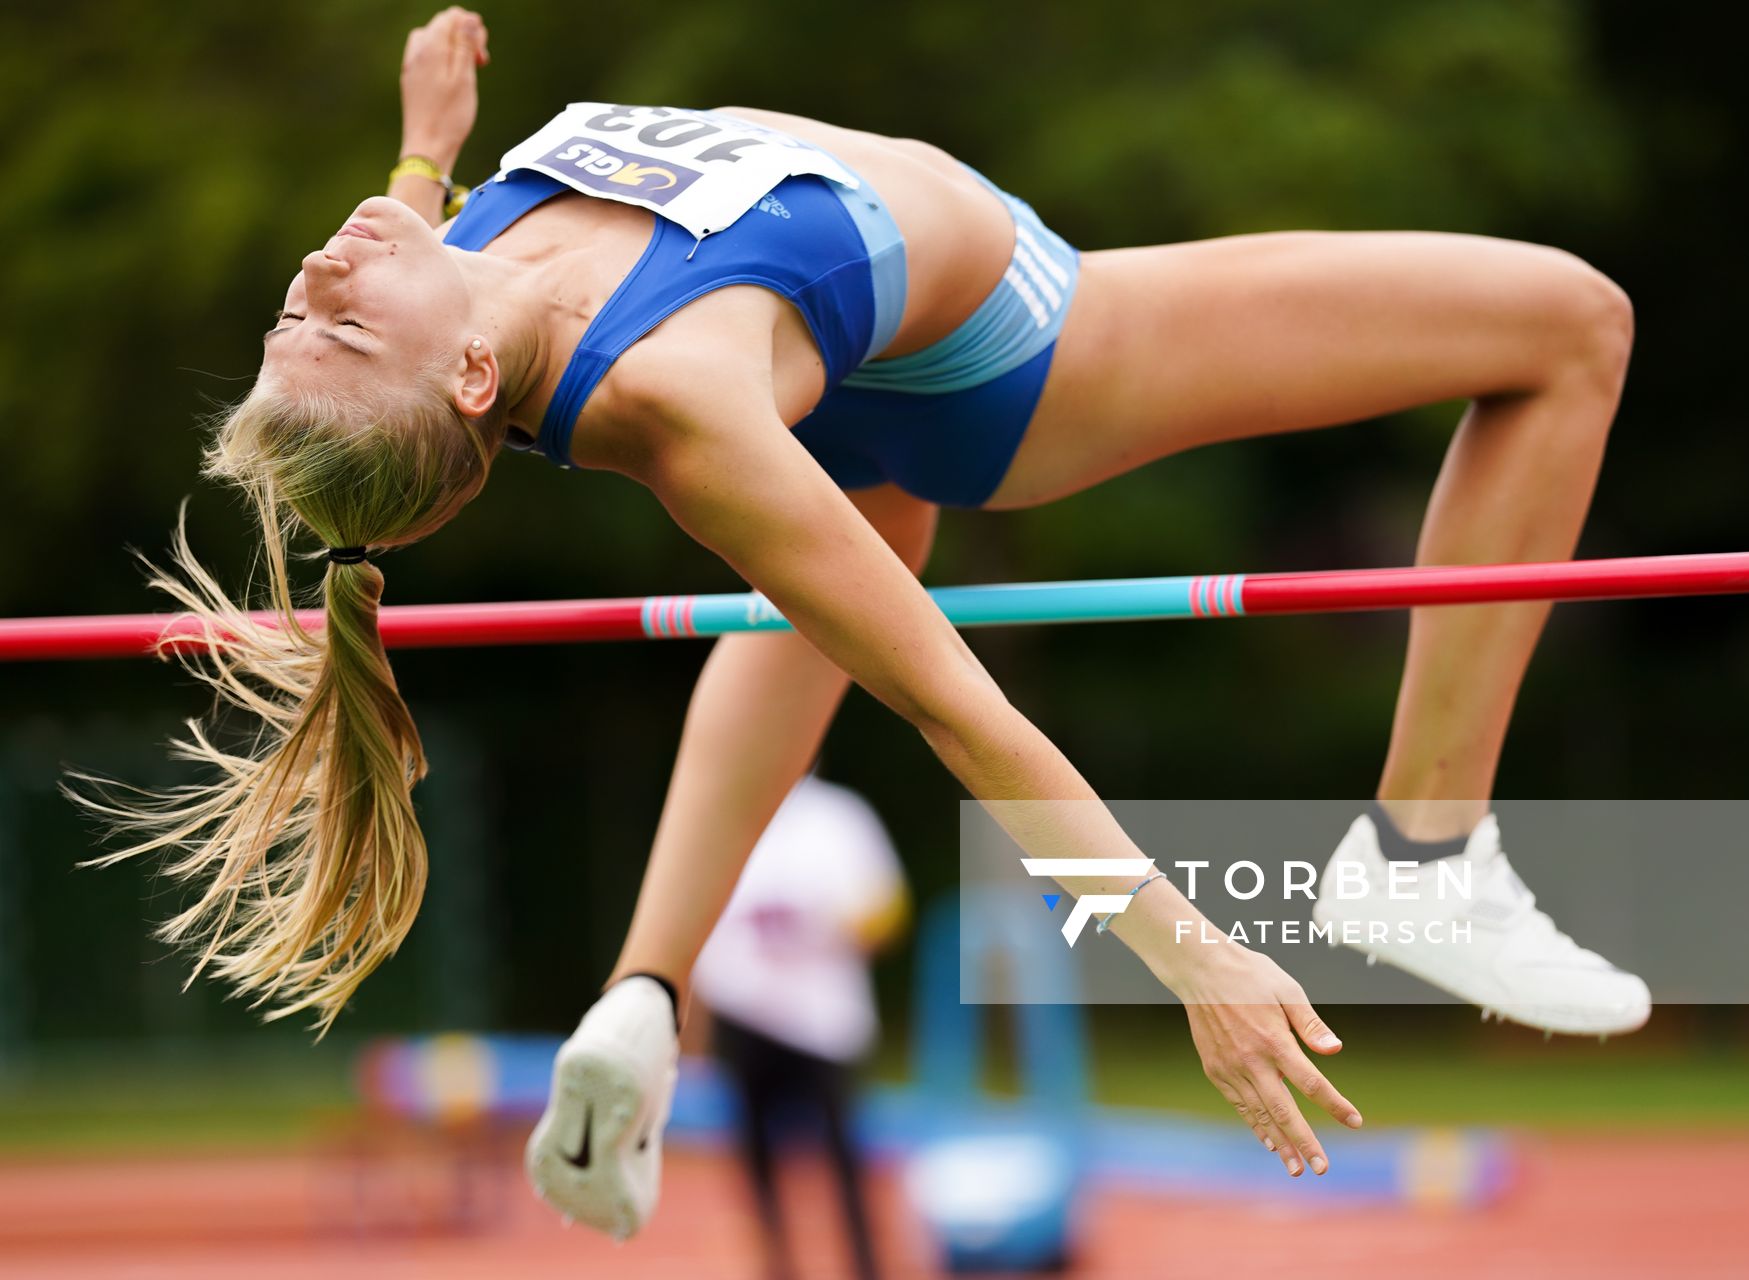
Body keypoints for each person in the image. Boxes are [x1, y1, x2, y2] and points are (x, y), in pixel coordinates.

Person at [77, 6, 1649, 1241]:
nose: (314, 267)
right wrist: (1191, 960)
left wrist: (424, 154)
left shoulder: (451, 267)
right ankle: (1428, 857)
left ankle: (644, 993)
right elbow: (970, 716)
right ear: (470, 384)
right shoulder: (685, 404)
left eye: (295, 316)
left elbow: (389, 266)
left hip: (852, 370)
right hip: (1023, 358)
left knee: (822, 571)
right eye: (336, 317)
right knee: (1573, 324)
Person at [689, 773, 907, 1280]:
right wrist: (694, 1033)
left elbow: (884, 908)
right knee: (754, 1157)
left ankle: (865, 1264)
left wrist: (836, 927)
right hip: (744, 1015)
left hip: (823, 1020)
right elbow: (702, 932)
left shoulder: (838, 817)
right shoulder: (725, 813)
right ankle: (776, 1263)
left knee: (843, 1156)